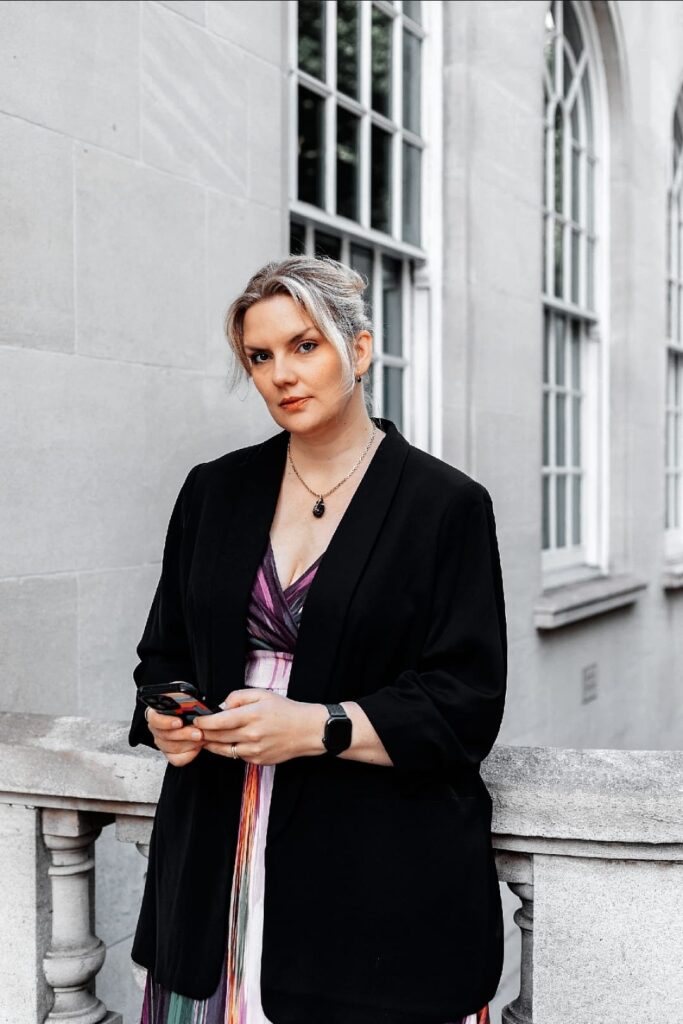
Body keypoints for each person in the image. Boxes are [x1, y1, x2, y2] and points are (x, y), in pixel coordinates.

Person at [129, 254, 507, 1024]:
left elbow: (465, 700)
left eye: (304, 346)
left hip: (373, 864)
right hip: (214, 851)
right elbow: (163, 652)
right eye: (259, 356)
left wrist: (315, 726)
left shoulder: (445, 505)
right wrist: (167, 713)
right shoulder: (213, 490)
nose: (282, 375)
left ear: (358, 350)